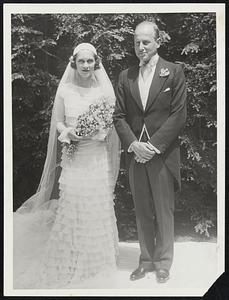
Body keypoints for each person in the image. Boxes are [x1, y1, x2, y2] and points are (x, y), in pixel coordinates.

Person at [13, 43, 120, 289]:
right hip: (74, 157)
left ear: (96, 63)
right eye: (81, 62)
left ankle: (96, 262)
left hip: (95, 157)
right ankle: (70, 258)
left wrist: (100, 133)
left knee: (95, 204)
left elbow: (111, 125)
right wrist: (68, 132)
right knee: (73, 204)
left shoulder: (104, 92)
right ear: (74, 63)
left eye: (89, 61)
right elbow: (59, 122)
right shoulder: (66, 91)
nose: (85, 66)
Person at [113, 21, 187, 283]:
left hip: (162, 155)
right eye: (136, 42)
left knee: (163, 209)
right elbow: (119, 116)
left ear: (158, 42)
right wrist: (134, 144)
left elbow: (179, 115)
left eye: (146, 42)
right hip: (135, 155)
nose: (141, 47)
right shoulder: (126, 76)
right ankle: (146, 260)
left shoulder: (174, 72)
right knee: (141, 208)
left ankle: (164, 262)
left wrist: (153, 146)